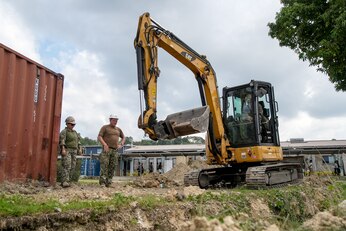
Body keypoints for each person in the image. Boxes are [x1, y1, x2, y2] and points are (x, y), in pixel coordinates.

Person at [98, 114, 125, 187]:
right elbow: (99, 136)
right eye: (114, 120)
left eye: (116, 120)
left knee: (112, 166)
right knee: (104, 165)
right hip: (107, 149)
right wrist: (104, 144)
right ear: (110, 120)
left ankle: (109, 182)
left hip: (115, 150)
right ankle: (102, 183)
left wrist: (121, 144)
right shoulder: (105, 127)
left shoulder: (118, 129)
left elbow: (123, 137)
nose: (115, 122)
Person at [59, 116, 82, 188]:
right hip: (67, 150)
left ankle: (69, 181)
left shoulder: (75, 132)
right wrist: (63, 149)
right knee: (67, 165)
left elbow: (78, 141)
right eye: (71, 124)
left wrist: (80, 149)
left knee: (73, 166)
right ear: (67, 124)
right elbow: (62, 140)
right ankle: (64, 181)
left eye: (74, 124)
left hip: (74, 151)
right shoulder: (64, 131)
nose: (73, 126)